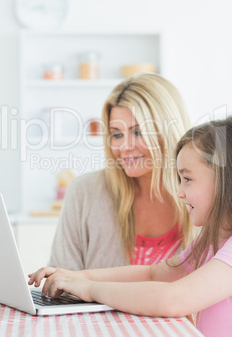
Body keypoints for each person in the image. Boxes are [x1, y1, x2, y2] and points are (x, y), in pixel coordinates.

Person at [29, 117, 232, 337]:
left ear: (225, 180)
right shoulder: (211, 240)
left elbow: (174, 299)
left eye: (187, 179)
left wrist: (89, 289)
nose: (179, 192)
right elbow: (155, 274)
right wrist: (76, 277)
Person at [48, 73, 195, 270]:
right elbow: (60, 279)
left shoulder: (206, 196)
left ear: (167, 132)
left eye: (138, 132)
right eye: (117, 134)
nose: (124, 147)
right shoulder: (84, 191)